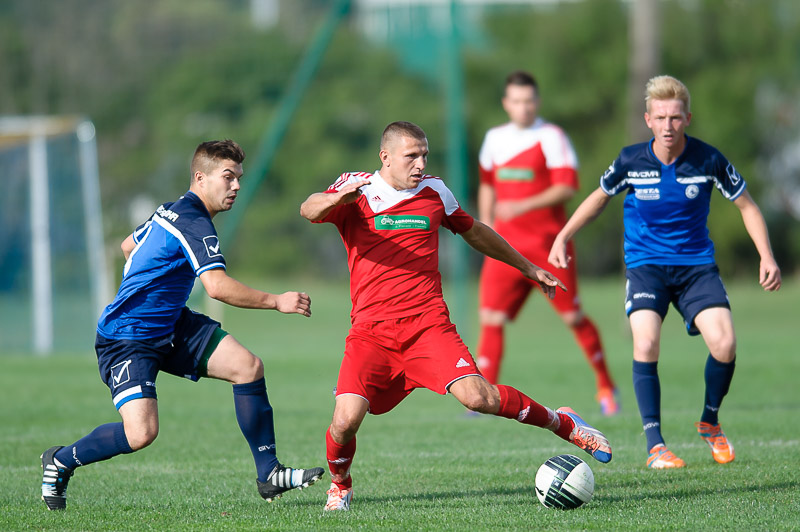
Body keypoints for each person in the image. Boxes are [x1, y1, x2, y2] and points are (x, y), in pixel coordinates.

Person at [300, 121, 612, 512]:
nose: (420, 163)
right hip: (371, 332)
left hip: (427, 325)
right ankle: (340, 485)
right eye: (411, 155)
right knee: (345, 421)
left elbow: (476, 231)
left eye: (424, 155)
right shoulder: (356, 187)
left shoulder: (434, 191)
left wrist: (527, 268)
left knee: (478, 398)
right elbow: (308, 208)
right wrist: (337, 198)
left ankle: (565, 424)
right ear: (386, 157)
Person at [40, 140, 324, 511]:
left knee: (247, 367)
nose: (236, 185)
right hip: (128, 338)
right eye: (228, 177)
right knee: (141, 433)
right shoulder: (193, 221)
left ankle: (269, 473)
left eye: (239, 177)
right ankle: (61, 460)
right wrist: (276, 301)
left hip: (171, 324)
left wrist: (152, 289)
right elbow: (217, 287)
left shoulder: (170, 210)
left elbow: (129, 246)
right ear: (200, 177)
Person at [549, 76, 782, 469]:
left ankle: (709, 421)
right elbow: (599, 198)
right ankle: (656, 445)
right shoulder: (631, 161)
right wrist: (563, 236)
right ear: (648, 120)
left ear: (687, 118)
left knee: (724, 344)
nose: (669, 125)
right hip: (646, 267)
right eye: (661, 117)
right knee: (646, 344)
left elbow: (748, 206)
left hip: (696, 268)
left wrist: (767, 257)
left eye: (676, 117)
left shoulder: (708, 160)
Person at [476, 70, 619, 415]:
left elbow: (568, 187)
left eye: (529, 101)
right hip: (504, 247)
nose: (523, 107)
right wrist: (485, 226)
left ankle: (605, 386)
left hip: (548, 247)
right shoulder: (494, 138)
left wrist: (523, 205)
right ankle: (481, 401)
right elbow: (487, 186)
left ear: (536, 102)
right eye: (516, 101)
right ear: (506, 103)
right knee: (491, 317)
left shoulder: (552, 137)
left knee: (573, 318)